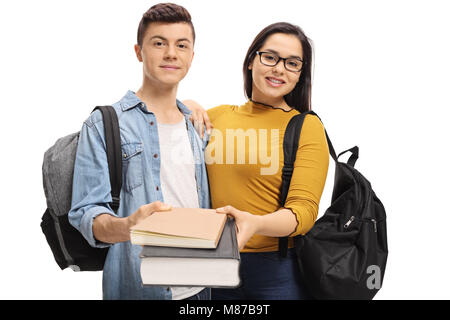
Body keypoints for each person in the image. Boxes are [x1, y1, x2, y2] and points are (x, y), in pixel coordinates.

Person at [68, 3, 210, 300]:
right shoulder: (104, 124)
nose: (171, 53)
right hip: (140, 287)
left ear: (192, 57)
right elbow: (86, 213)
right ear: (138, 51)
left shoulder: (197, 126)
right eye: (159, 43)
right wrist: (128, 227)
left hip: (202, 287)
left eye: (181, 45)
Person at [184, 22, 329, 300]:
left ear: (300, 74)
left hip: (274, 272)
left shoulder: (305, 127)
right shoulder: (218, 116)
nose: (279, 69)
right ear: (252, 60)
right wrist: (185, 105)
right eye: (271, 57)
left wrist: (256, 224)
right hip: (209, 262)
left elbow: (304, 211)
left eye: (292, 63)